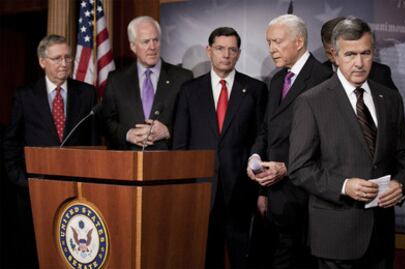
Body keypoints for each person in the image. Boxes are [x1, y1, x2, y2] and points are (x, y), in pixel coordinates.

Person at [289, 16, 405, 269]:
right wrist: (344, 186)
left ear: (373, 52)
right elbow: (299, 169)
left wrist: (400, 183)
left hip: (381, 235)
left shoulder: (389, 98)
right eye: (350, 54)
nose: (359, 63)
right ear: (334, 55)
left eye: (366, 53)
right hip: (336, 237)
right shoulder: (311, 102)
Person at [173, 27, 268, 268]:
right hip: (200, 190)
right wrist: (182, 190)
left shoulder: (255, 90)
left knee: (242, 257)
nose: (226, 54)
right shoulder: (189, 91)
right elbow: (180, 145)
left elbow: (261, 137)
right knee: (204, 256)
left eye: (232, 49)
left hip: (241, 190)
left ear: (238, 54)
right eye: (220, 48)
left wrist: (261, 192)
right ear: (209, 51)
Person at [2, 34, 99, 268]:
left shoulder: (86, 93)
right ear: (42, 61)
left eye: (68, 57)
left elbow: (95, 143)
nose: (64, 63)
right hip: (33, 192)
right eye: (57, 58)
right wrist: (22, 180)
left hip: (78, 193)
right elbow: (11, 143)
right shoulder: (25, 96)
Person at [247, 14, 332, 268]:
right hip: (276, 199)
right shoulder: (276, 81)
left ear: (299, 41)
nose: (272, 48)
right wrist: (254, 159)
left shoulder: (324, 78)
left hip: (307, 199)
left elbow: (329, 143)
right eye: (268, 42)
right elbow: (266, 131)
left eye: (277, 41)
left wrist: (285, 167)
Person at [102, 16, 193, 150]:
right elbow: (106, 121)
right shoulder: (116, 80)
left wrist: (168, 131)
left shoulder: (182, 78)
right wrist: (128, 134)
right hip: (128, 162)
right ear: (133, 46)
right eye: (146, 42)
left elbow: (194, 121)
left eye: (155, 40)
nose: (152, 47)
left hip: (170, 162)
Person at [321, 16, 397, 89]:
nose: (333, 59)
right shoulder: (318, 74)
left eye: (350, 53)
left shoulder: (381, 74)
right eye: (330, 54)